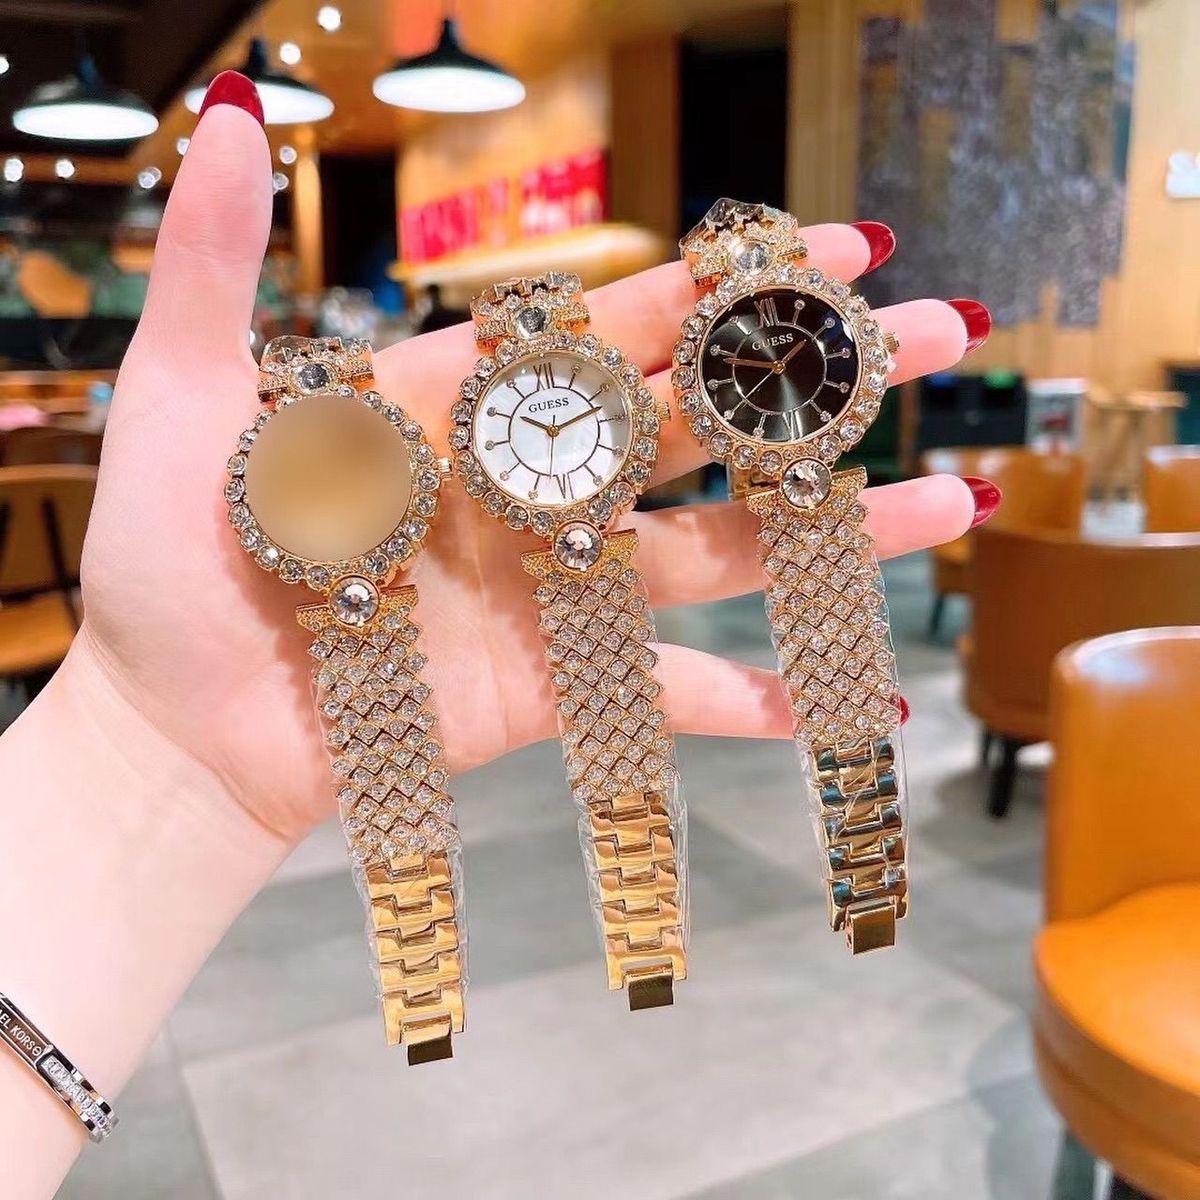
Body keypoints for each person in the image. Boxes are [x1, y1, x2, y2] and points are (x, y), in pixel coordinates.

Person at [0, 71, 991, 1198]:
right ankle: (630, 939)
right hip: (405, 574)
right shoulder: (380, 455)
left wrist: (127, 760)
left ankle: (846, 873)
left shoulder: (560, 413)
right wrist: (134, 737)